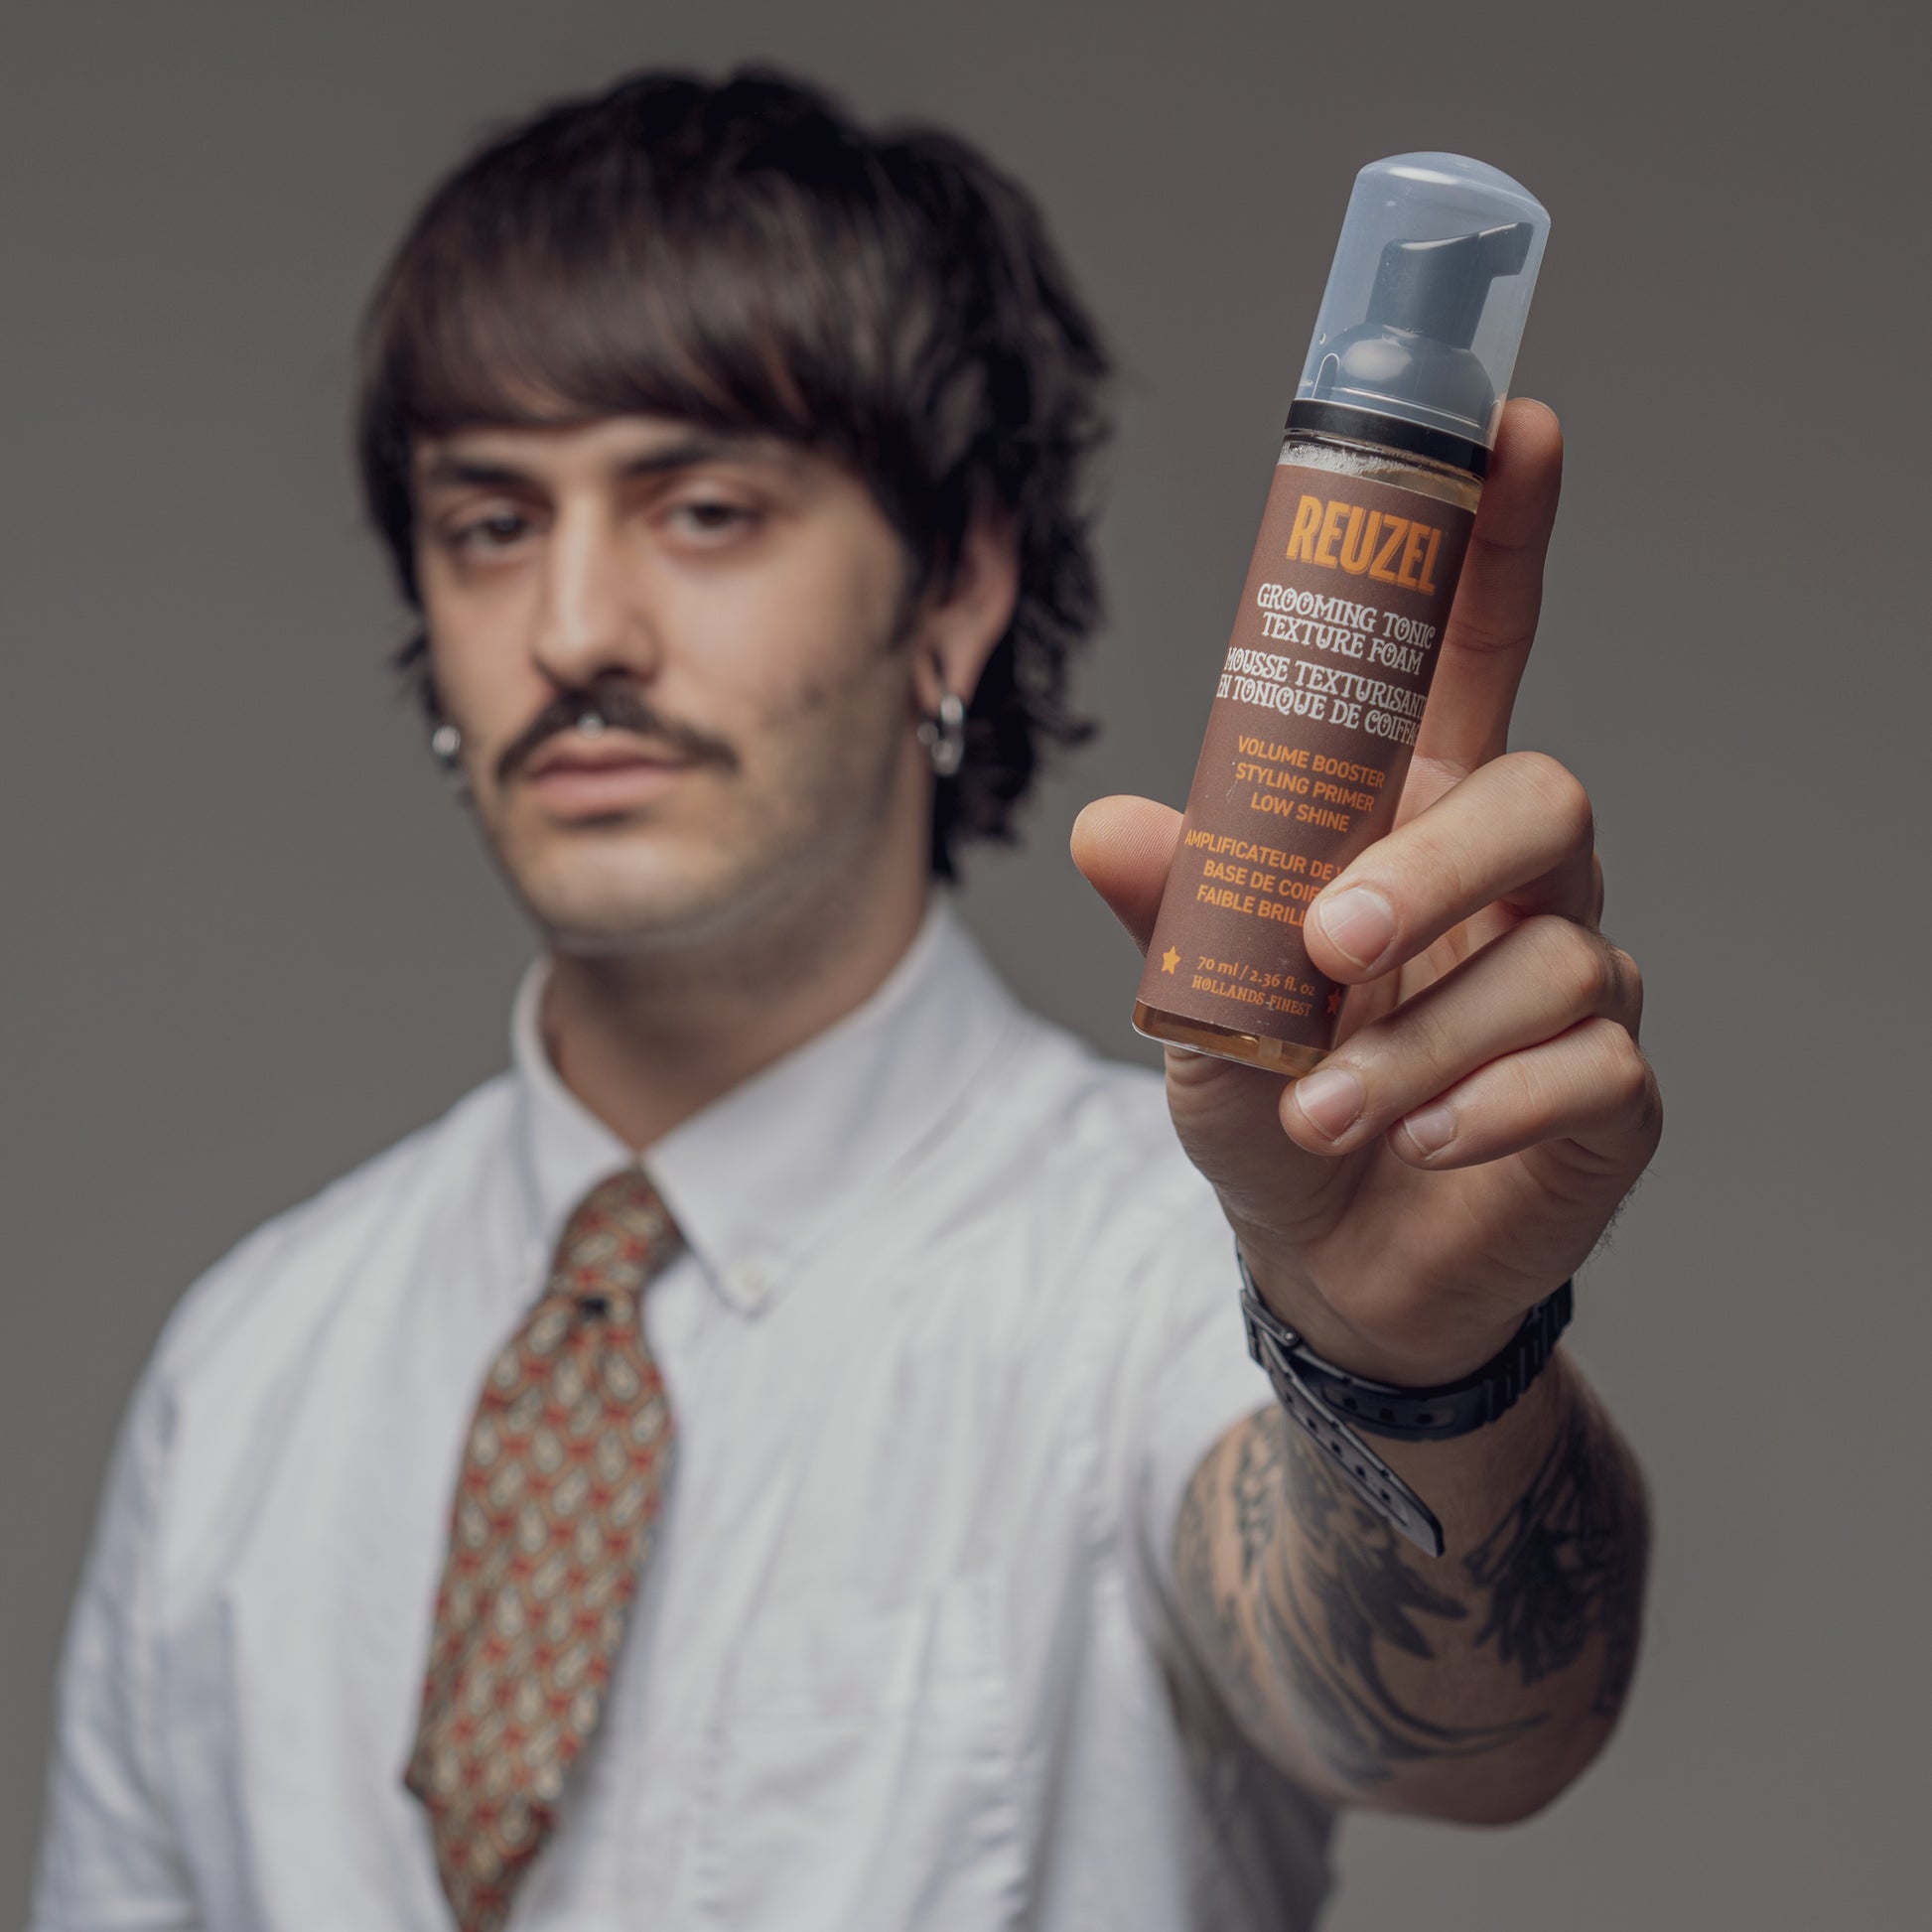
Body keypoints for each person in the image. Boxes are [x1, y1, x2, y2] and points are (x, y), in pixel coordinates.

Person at [30, 65, 1659, 1932]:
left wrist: (1407, 1371)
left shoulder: (1155, 1279)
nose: (573, 630)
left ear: (955, 586)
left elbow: (1467, 1737)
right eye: (489, 522)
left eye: (702, 508)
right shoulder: (245, 1371)